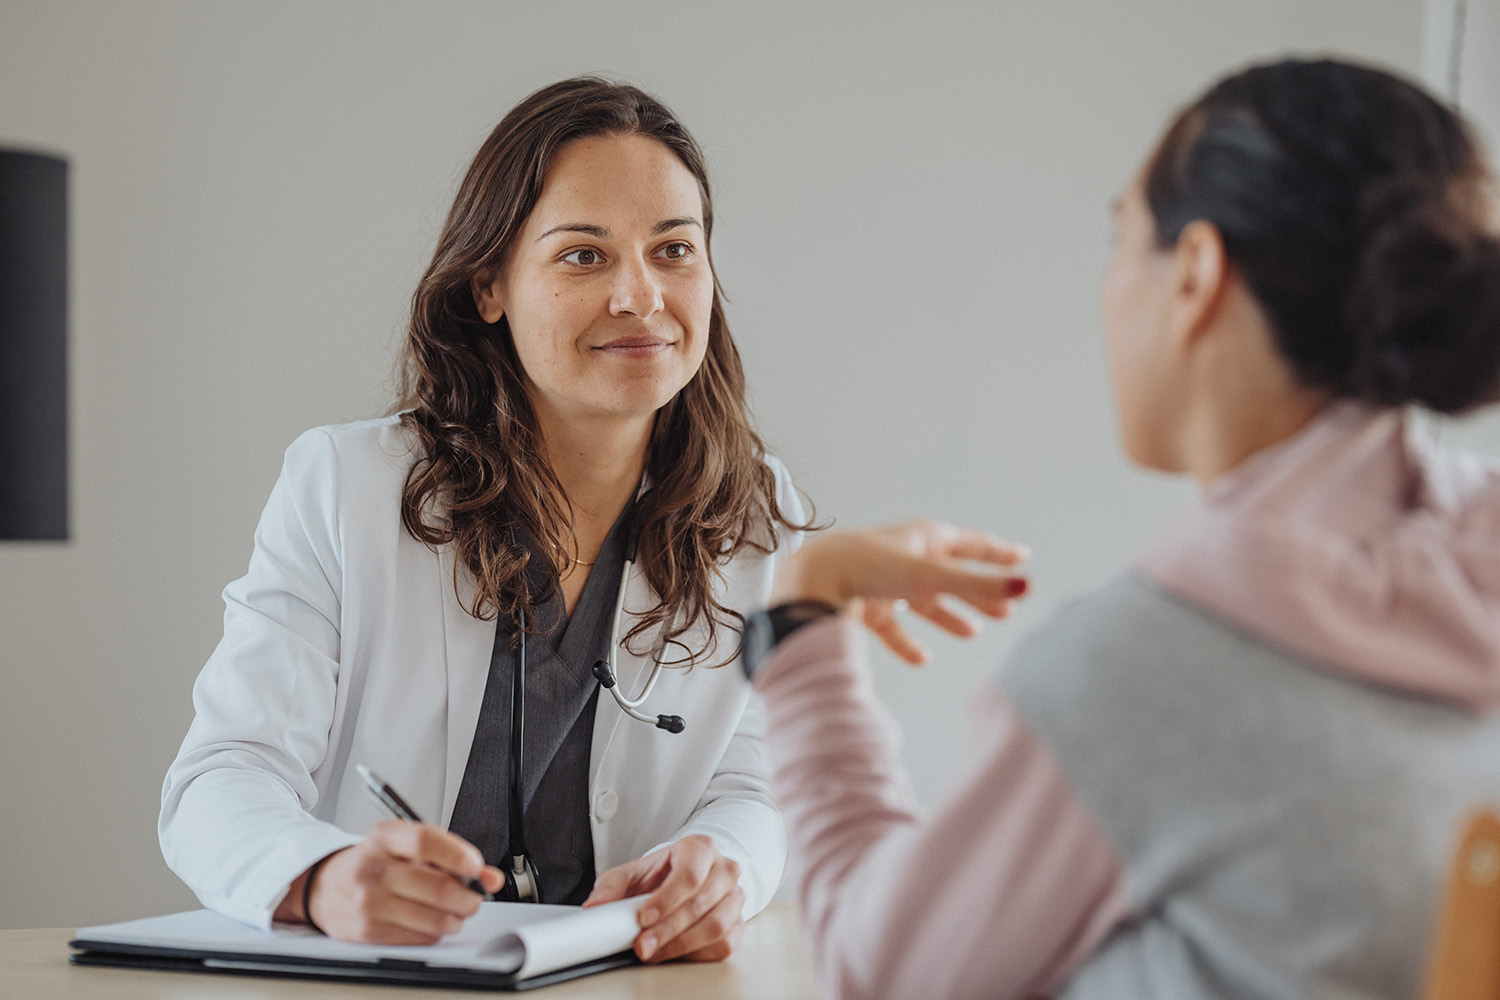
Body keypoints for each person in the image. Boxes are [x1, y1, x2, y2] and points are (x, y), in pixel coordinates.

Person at [743, 58, 1500, 998]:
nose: (1109, 288)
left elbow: (883, 969)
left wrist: (801, 624)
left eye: (1122, 240)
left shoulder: (1153, 666)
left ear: (1196, 274)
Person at [159, 77, 815, 963]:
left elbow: (759, 780)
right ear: (489, 286)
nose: (640, 296)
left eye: (673, 250)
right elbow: (220, 779)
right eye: (584, 256)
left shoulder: (760, 519)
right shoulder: (347, 486)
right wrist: (321, 879)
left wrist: (724, 862)